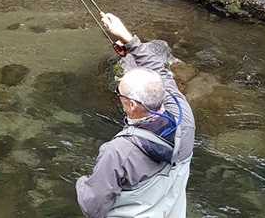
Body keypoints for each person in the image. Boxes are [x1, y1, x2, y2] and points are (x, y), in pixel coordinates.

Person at [76, 13, 196, 218]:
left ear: (131, 105)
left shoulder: (118, 151)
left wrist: (81, 183)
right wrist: (128, 40)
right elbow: (161, 72)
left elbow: (93, 207)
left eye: (119, 93)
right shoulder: (184, 118)